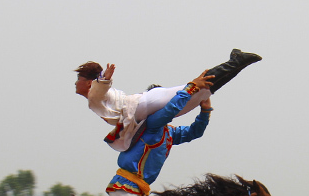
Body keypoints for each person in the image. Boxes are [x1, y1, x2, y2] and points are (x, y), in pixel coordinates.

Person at [74, 49, 260, 152]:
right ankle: (237, 63)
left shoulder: (95, 96)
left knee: (197, 86)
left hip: (144, 104)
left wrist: (104, 79)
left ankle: (236, 62)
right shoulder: (101, 98)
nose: (76, 84)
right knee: (203, 92)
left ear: (89, 83)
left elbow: (97, 91)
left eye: (79, 80)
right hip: (143, 111)